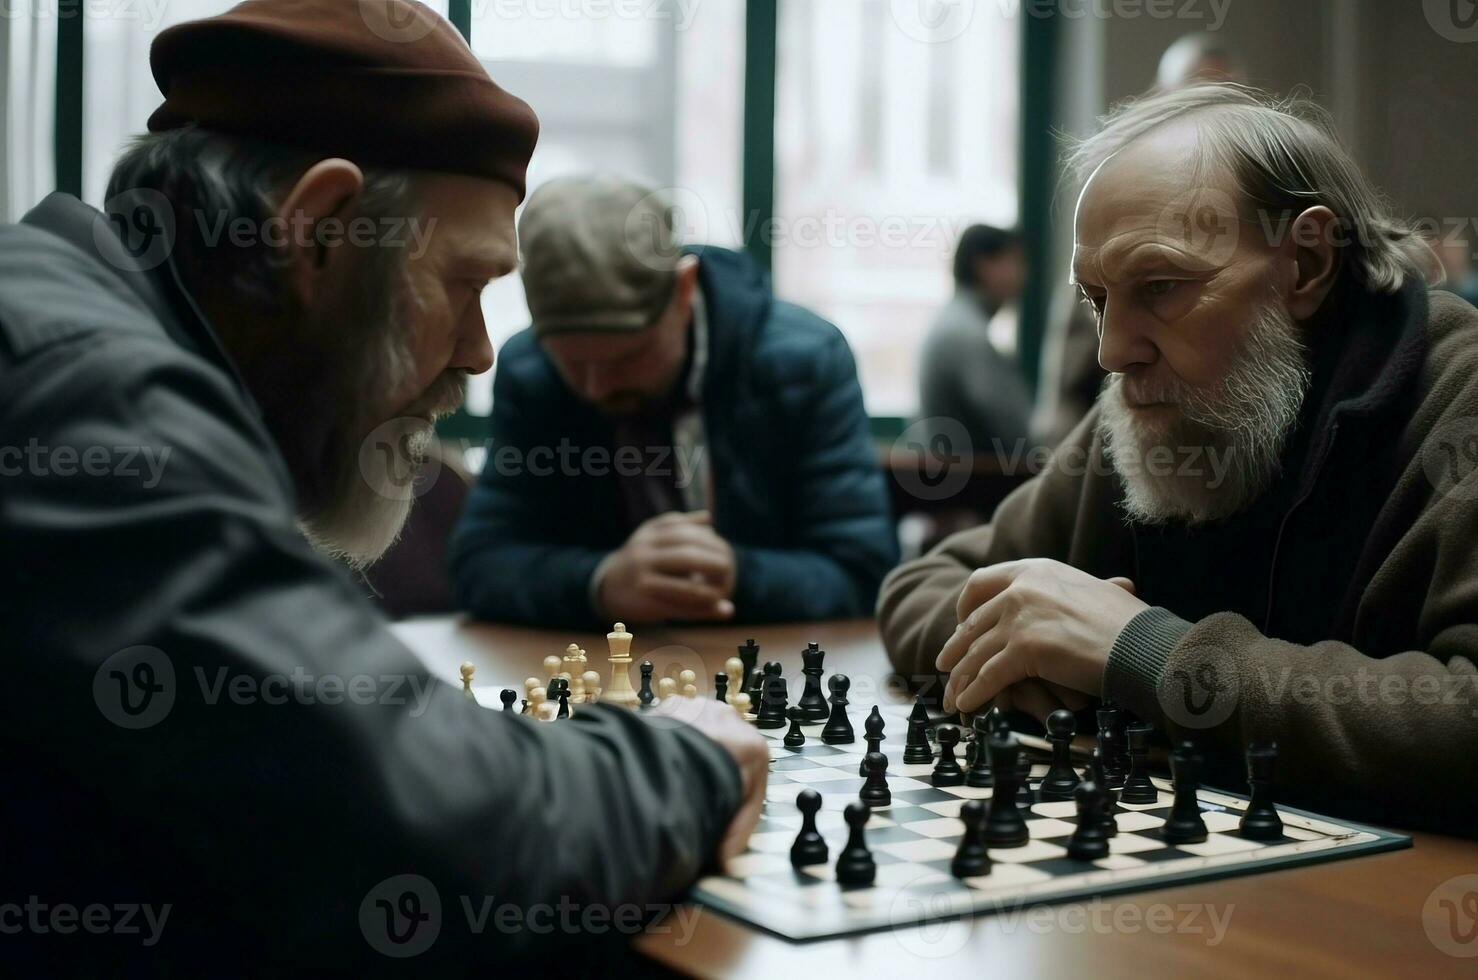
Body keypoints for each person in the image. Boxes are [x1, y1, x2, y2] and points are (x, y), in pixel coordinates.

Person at [0, 1, 766, 971]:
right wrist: (684, 759)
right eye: (464, 281)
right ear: (317, 229)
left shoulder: (71, 334)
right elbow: (432, 834)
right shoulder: (89, 394)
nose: (483, 353)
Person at [878, 84, 1478, 836]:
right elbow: (922, 588)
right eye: (1098, 300)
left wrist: (1143, 655)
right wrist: (1032, 654)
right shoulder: (1144, 409)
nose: (1111, 351)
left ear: (1307, 265)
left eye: (1159, 287)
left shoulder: (1457, 399)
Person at [452, 175, 898, 628]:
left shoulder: (806, 363)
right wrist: (600, 583)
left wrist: (738, 575)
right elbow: (481, 563)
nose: (595, 386)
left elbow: (862, 572)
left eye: (625, 357)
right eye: (571, 362)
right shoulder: (530, 372)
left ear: (684, 289)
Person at [917, 225, 1034, 454]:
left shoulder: (953, 322)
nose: (1024, 275)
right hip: (969, 481)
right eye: (1015, 262)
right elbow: (1016, 430)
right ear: (983, 266)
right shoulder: (965, 335)